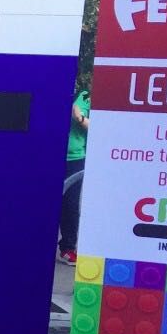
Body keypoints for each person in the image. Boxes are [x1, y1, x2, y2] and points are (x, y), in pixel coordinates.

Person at [58, 80, 90, 265]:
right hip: (50, 157)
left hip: (75, 159)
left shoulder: (85, 96)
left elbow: (96, 126)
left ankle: (68, 248)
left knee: (70, 205)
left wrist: (79, 117)